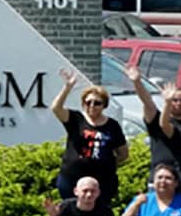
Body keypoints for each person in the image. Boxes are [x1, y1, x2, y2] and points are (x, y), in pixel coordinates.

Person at [49, 68, 127, 208]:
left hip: (103, 181)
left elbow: (123, 153)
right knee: (70, 211)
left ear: (104, 105)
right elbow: (56, 108)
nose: (92, 106)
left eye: (97, 103)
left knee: (99, 214)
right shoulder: (75, 119)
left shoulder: (112, 125)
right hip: (71, 178)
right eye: (88, 102)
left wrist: (107, 163)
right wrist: (67, 87)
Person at [124, 65, 181, 202]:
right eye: (175, 100)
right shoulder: (157, 121)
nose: (179, 103)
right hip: (160, 181)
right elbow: (147, 102)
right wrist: (137, 81)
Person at [44, 177, 113, 216]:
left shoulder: (105, 212)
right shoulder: (65, 207)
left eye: (93, 191)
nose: (89, 195)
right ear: (76, 191)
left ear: (98, 192)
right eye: (85, 191)